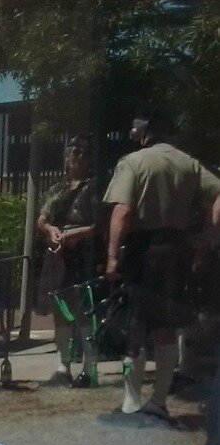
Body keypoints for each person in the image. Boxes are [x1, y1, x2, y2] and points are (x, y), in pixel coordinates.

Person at [101, 111, 220, 427]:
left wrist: (112, 256)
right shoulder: (188, 163)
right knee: (166, 328)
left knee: (134, 328)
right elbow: (219, 194)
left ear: (144, 134)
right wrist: (207, 237)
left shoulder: (134, 161)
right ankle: (159, 401)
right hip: (177, 251)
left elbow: (123, 211)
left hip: (144, 252)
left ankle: (130, 402)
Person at [37, 136, 101, 386]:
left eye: (83, 155)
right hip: (57, 253)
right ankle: (63, 367)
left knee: (84, 311)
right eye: (74, 154)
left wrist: (74, 234)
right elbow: (41, 220)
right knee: (60, 311)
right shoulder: (57, 189)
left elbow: (99, 224)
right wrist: (51, 230)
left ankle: (90, 368)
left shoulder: (94, 188)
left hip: (82, 254)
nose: (78, 159)